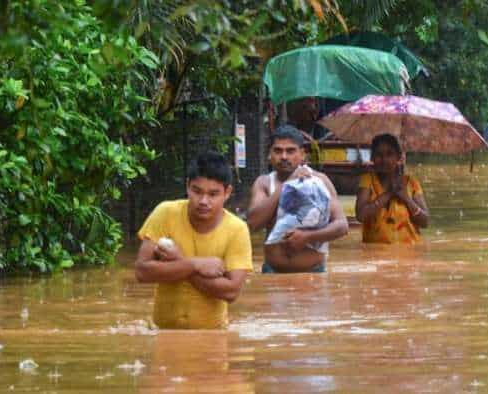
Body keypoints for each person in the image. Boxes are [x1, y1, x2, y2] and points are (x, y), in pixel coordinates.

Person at [134, 151, 252, 329]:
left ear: (227, 193)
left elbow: (231, 291)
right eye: (197, 191)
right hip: (162, 332)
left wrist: (178, 260)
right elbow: (142, 272)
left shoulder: (237, 229)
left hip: (213, 336)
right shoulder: (165, 212)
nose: (203, 201)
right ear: (188, 186)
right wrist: (194, 264)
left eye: (213, 194)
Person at [246, 124, 348, 273]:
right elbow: (252, 224)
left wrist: (307, 237)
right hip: (273, 272)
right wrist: (286, 186)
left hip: (314, 273)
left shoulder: (320, 181)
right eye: (278, 151)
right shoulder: (264, 183)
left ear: (302, 154)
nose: (284, 157)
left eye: (290, 151)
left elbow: (342, 226)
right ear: (270, 155)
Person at [355, 133, 429, 244]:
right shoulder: (367, 180)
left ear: (398, 157)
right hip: (375, 255)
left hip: (409, 253)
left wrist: (406, 199)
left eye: (389, 154)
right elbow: (360, 215)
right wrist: (389, 194)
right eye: (379, 154)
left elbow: (425, 222)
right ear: (372, 157)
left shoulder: (411, 183)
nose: (384, 159)